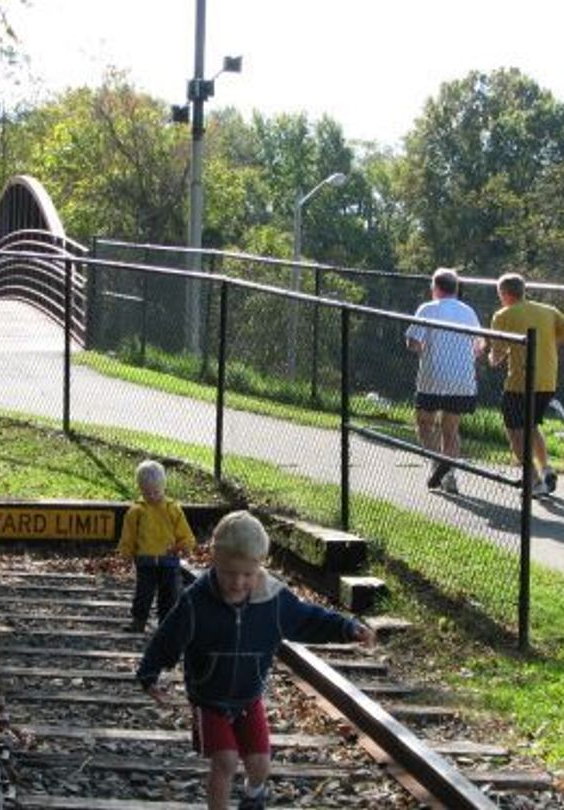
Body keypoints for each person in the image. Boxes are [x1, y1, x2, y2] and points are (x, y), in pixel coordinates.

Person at [136, 511, 376, 810]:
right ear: (214, 561)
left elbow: (309, 618)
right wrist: (149, 674)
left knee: (260, 764)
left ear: (260, 567)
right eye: (228, 573)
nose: (237, 582)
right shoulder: (195, 602)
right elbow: (167, 637)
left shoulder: (273, 600)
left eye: (247, 574)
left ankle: (253, 796)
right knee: (224, 761)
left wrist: (346, 628)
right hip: (209, 699)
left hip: (249, 698)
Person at [488, 272, 564, 496]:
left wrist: (490, 355)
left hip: (519, 383)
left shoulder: (503, 315)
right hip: (547, 382)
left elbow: (497, 355)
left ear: (503, 294)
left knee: (514, 432)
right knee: (531, 427)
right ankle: (546, 469)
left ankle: (532, 480)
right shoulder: (548, 311)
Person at [404, 268, 482, 494]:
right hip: (462, 380)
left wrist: (426, 348)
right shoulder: (468, 311)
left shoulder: (428, 308)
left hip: (432, 378)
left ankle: (437, 463)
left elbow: (413, 342)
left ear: (435, 288)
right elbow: (480, 345)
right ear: (456, 289)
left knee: (424, 423)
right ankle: (449, 474)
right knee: (451, 428)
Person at [117, 459, 196, 633]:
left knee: (169, 594)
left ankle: (166, 624)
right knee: (143, 593)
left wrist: (185, 545)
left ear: (163, 488)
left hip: (169, 560)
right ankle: (138, 620)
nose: (152, 496)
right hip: (145, 560)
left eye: (156, 492)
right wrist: (126, 552)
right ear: (140, 490)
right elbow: (129, 534)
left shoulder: (172, 508)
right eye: (147, 493)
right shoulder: (137, 511)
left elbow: (184, 532)